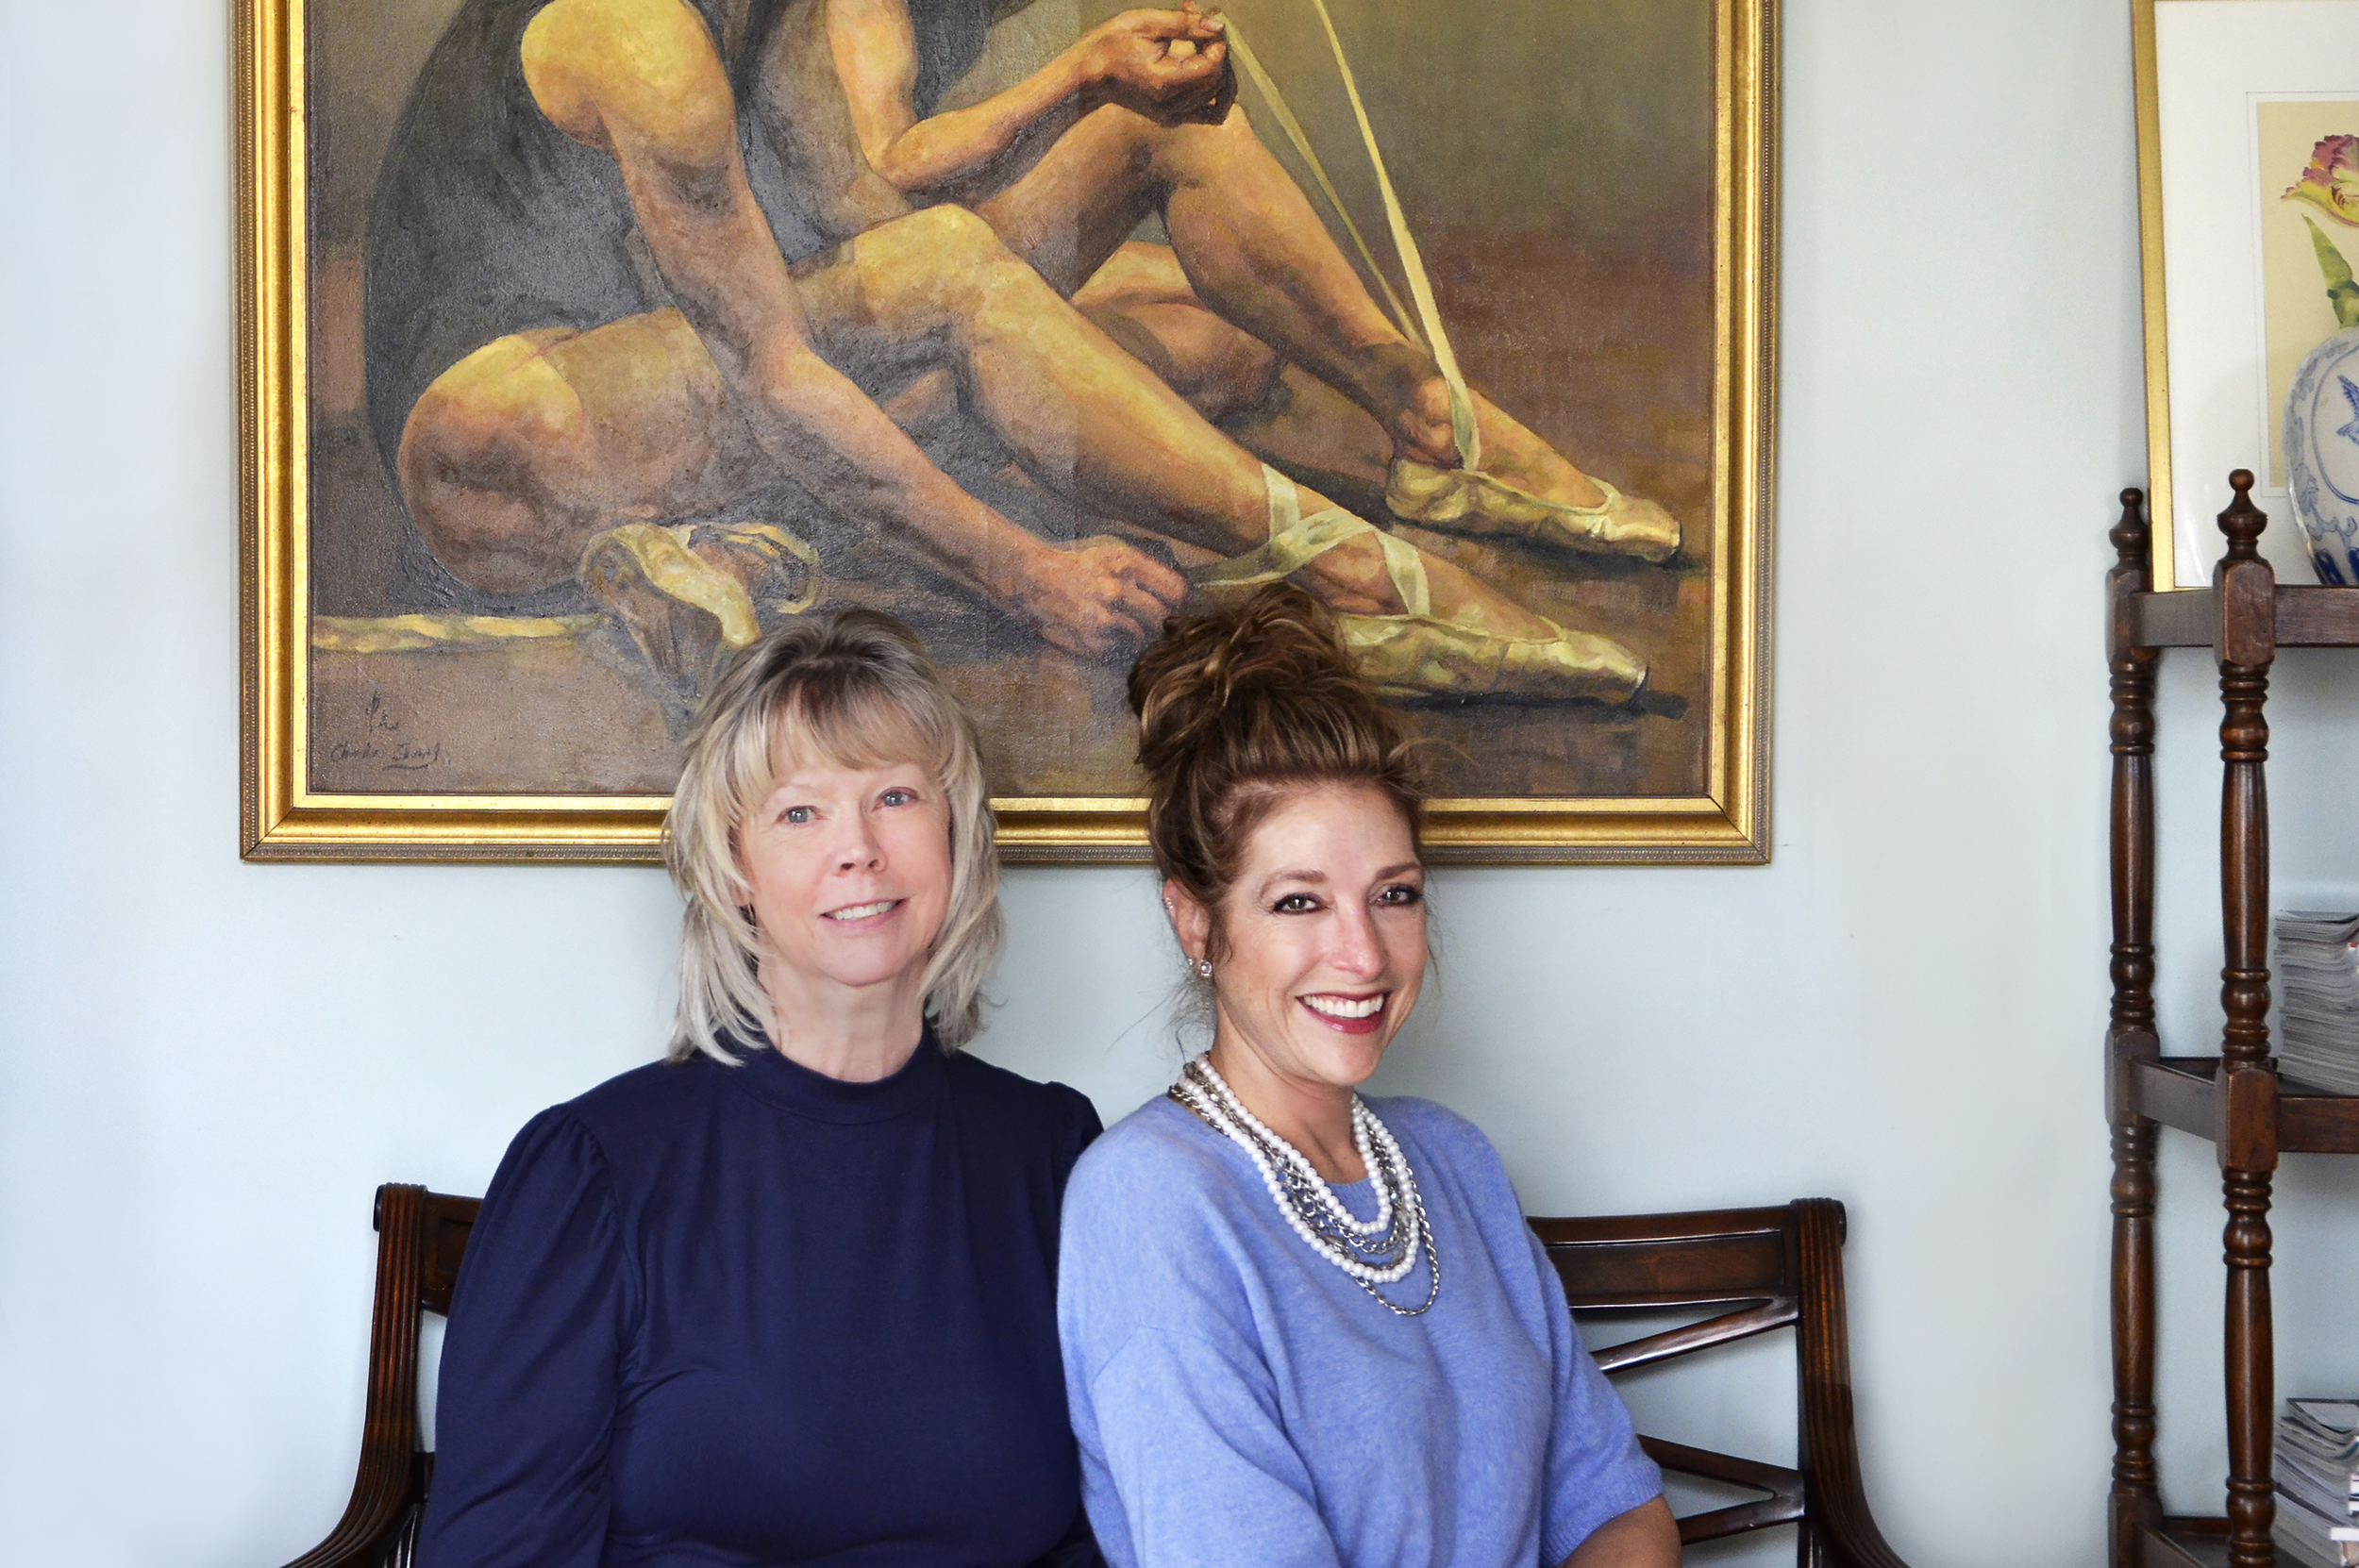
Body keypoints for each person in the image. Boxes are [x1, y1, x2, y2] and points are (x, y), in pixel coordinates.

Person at [364, 0, 1650, 707]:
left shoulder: (785, 12)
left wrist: (1090, 88)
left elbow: (879, 204)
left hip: (647, 386)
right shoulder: (641, 43)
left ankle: (1436, 434)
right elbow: (779, 366)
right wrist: (1023, 570)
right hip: (498, 453)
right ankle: (1360, 573)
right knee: (966, 285)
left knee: (1185, 279)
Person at [416, 609, 1105, 1567]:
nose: (858, 847)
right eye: (799, 812)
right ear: (735, 869)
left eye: (896, 797)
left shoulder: (1054, 1152)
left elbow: (1099, 1534)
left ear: (955, 833)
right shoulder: (593, 1172)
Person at [1055, 583, 1682, 1567]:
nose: (1362, 955)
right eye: (1298, 902)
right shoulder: (1150, 1203)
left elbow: (1619, 1510)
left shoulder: (1451, 1159)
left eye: (1393, 894)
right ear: (1196, 923)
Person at [772, 0, 1683, 563]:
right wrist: (1089, 69)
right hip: (837, 357)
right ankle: (1433, 427)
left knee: (1240, 339)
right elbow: (895, 164)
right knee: (1161, 130)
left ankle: (1428, 425)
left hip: (904, 296)